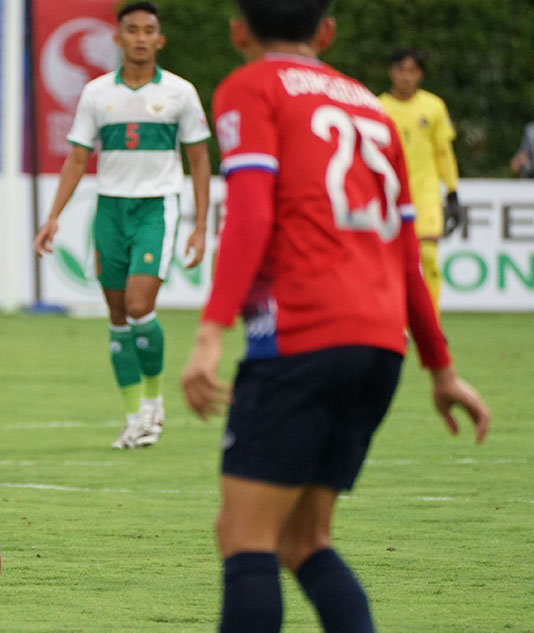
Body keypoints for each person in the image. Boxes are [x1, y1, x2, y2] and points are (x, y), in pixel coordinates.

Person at [180, 2, 491, 632]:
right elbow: (407, 254)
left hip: (302, 340)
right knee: (305, 539)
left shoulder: (249, 86)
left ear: (239, 31)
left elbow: (252, 215)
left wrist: (212, 331)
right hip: (380, 347)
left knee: (244, 538)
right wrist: (441, 368)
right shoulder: (370, 107)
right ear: (326, 32)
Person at [33, 1, 212, 449]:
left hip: (156, 207)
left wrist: (201, 225)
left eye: (148, 30)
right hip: (110, 209)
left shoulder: (179, 92)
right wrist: (53, 216)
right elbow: (77, 158)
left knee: (138, 305)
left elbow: (199, 159)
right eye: (130, 29)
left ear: (159, 39)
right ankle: (134, 417)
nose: (139, 37)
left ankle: (154, 405)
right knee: (116, 315)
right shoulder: (97, 93)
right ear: (117, 37)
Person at [379, 47, 463, 314]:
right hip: (390, 195)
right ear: (391, 72)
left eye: (412, 71)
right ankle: (398, 323)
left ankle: (431, 323)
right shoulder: (378, 107)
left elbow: (443, 152)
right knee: (393, 262)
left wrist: (452, 191)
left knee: (427, 256)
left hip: (425, 194)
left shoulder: (434, 106)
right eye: (400, 70)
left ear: (421, 75)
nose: (406, 77)